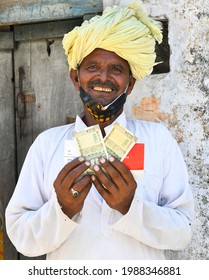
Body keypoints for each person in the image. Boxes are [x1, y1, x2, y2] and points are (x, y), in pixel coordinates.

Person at [5, 2, 194, 260]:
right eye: (92, 67)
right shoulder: (47, 145)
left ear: (130, 85)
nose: (103, 77)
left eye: (116, 69)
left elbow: (183, 232)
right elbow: (21, 236)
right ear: (76, 78)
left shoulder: (157, 140)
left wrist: (130, 208)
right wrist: (62, 209)